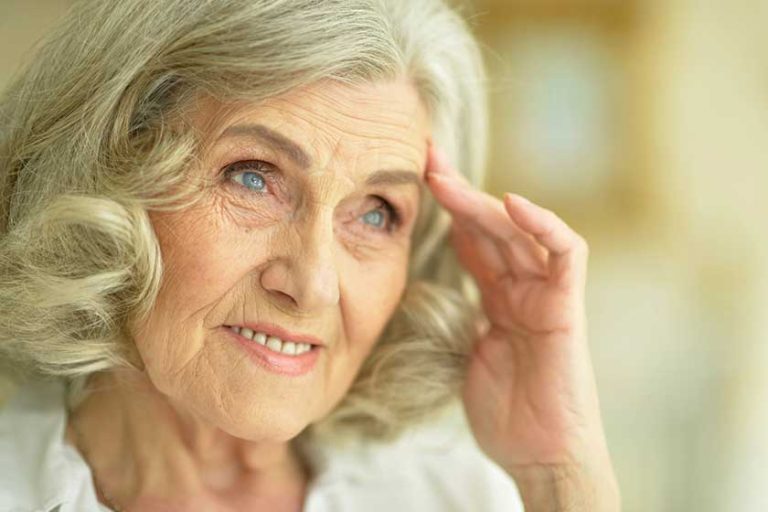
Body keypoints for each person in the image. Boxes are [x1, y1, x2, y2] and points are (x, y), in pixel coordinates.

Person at [0, 0, 620, 510]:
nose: (315, 284)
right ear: (107, 174)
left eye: (376, 212)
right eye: (252, 177)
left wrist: (559, 475)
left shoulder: (459, 496)